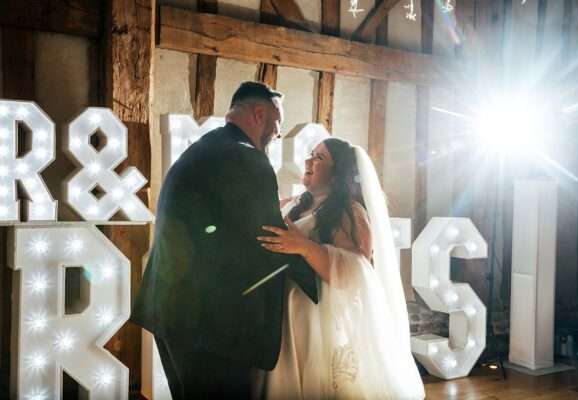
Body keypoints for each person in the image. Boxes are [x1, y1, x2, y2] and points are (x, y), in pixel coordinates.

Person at [130, 82, 319, 399]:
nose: (276, 134)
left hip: (173, 314)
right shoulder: (247, 158)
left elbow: (225, 222)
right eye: (277, 125)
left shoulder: (205, 147)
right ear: (259, 114)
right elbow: (271, 238)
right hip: (212, 326)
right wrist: (321, 278)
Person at [257, 138, 425, 399]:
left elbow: (357, 272)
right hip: (281, 316)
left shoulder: (351, 213)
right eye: (311, 155)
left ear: (338, 173)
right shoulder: (293, 204)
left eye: (319, 158)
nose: (308, 161)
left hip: (316, 321)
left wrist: (304, 246)